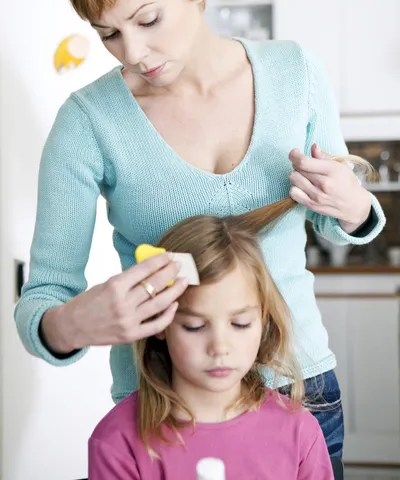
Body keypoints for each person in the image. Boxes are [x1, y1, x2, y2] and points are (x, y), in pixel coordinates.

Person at [14, 0, 385, 460]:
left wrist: (352, 205)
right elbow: (41, 300)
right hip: (163, 405)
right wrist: (73, 324)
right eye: (108, 33)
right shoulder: (87, 123)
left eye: (147, 19)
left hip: (298, 389)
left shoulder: (296, 74)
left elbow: (342, 224)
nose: (133, 52)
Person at [89, 199, 335, 479]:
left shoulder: (299, 431)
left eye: (240, 324)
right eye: (194, 326)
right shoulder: (118, 440)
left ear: (263, 320)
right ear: (159, 321)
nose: (219, 347)